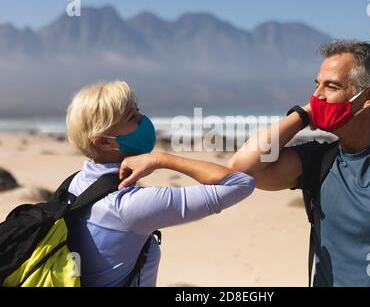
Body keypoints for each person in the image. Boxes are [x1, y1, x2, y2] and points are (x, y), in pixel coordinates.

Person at [228, 40, 370, 287]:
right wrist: (302, 115)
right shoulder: (316, 161)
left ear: (368, 97)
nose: (316, 96)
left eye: (331, 86)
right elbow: (242, 169)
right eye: (316, 85)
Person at [64, 80, 256, 287]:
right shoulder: (127, 205)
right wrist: (162, 159)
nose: (144, 120)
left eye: (138, 112)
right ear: (104, 142)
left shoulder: (74, 184)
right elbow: (240, 184)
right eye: (132, 118)